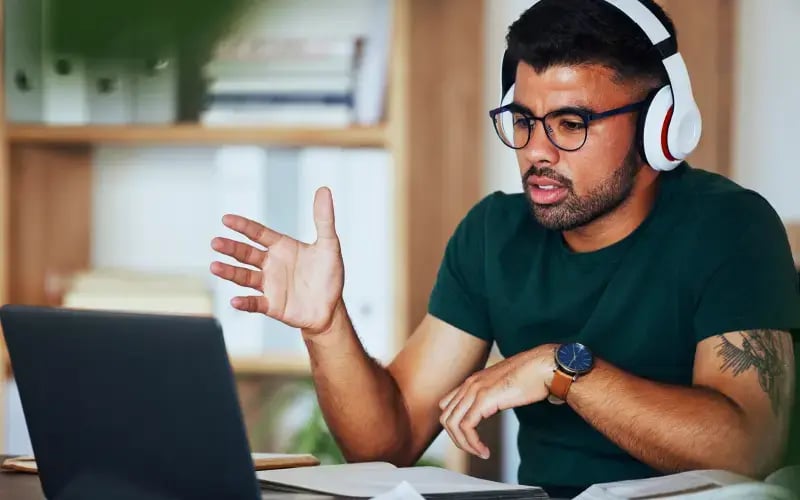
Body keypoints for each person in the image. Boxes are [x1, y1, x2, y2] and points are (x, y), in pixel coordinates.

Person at [209, 0, 800, 497]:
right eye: (522, 120)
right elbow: (385, 443)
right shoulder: (494, 232)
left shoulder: (731, 227)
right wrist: (326, 326)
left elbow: (746, 446)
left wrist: (562, 369)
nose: (536, 152)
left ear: (661, 125)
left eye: (570, 124)